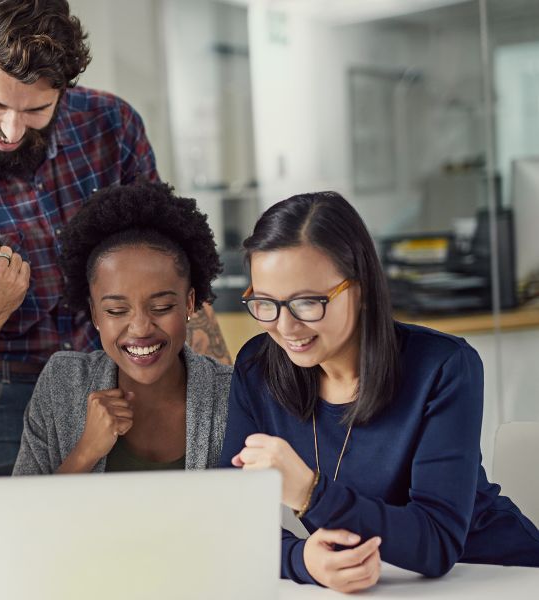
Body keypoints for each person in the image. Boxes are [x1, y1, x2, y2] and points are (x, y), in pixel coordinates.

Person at [0, 0, 231, 477]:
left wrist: (218, 389)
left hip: (115, 376)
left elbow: (169, 255)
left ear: (63, 90)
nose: (11, 129)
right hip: (1, 385)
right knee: (11, 540)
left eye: (35, 109)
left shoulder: (111, 125)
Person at [219, 191, 539, 593]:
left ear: (362, 289)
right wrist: (301, 560)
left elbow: (437, 543)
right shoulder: (257, 368)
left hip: (496, 577)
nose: (285, 327)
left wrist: (310, 493)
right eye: (266, 303)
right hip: (380, 589)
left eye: (307, 302)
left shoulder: (443, 367)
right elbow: (230, 517)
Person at [13, 181, 231, 475]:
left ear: (190, 303)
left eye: (162, 307)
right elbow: (26, 517)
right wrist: (85, 452)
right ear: (95, 313)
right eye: (116, 310)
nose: (141, 328)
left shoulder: (232, 392)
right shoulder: (62, 384)